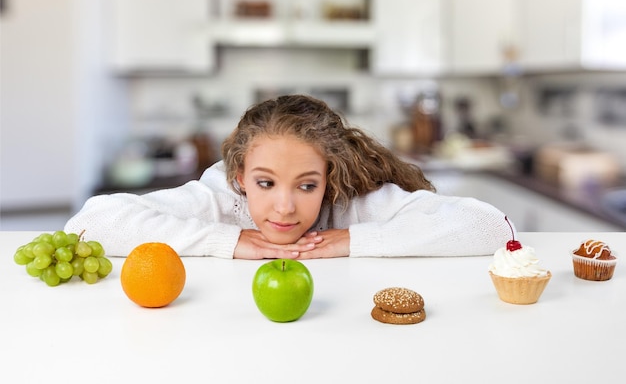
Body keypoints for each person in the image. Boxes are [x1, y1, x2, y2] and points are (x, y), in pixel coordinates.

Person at [65, 94, 514, 259]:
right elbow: (88, 223)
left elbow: (492, 227)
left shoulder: (349, 203)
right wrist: (234, 241)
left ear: (329, 178)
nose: (284, 207)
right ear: (240, 176)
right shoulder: (220, 197)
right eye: (265, 183)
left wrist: (350, 241)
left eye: (306, 185)